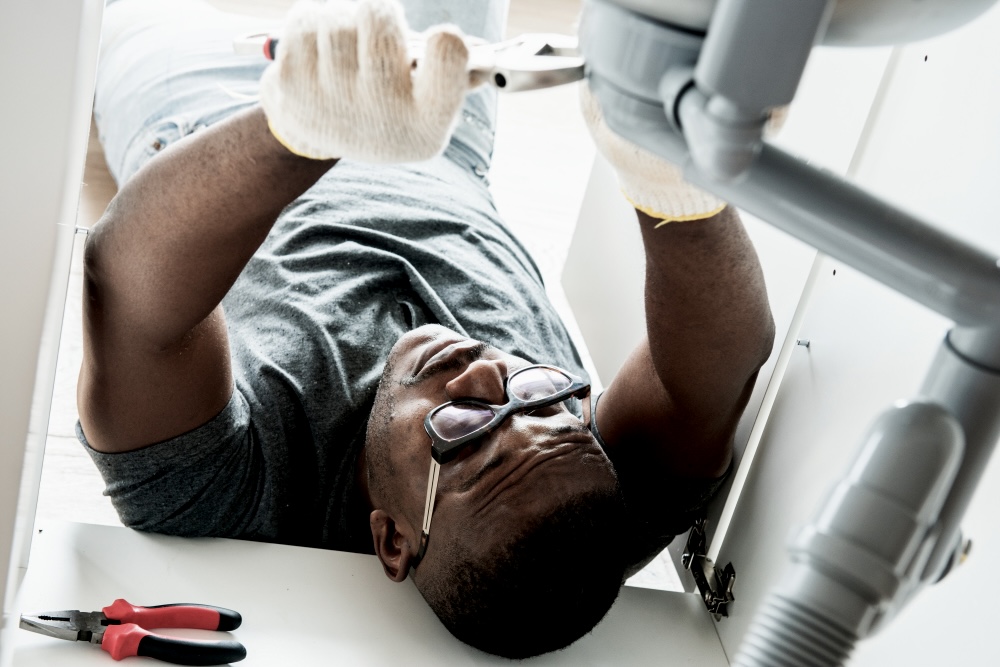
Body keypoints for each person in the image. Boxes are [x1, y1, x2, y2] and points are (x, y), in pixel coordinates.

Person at [78, 0, 774, 658]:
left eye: (465, 428)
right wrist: (664, 174)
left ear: (393, 539)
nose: (485, 371)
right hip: (442, 125)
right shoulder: (577, 501)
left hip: (214, 123)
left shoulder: (233, 499)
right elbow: (716, 368)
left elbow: (126, 288)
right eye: (540, 397)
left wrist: (306, 130)